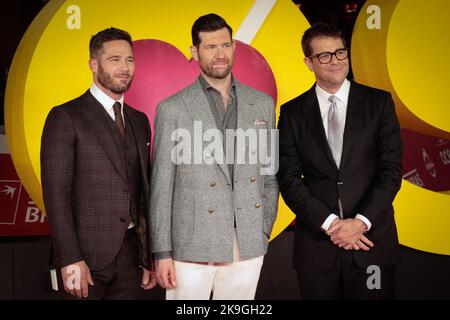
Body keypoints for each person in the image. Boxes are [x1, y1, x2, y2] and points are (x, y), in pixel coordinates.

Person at [150, 13, 279, 300]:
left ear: (233, 46)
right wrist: (162, 253)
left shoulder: (262, 104)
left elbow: (270, 174)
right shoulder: (172, 108)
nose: (220, 54)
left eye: (225, 45)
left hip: (246, 242)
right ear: (195, 52)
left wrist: (262, 230)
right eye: (210, 47)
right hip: (190, 245)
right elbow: (161, 187)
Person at [277, 23, 403, 299]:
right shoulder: (292, 113)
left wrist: (360, 222)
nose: (334, 61)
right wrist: (332, 224)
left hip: (371, 244)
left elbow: (391, 171)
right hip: (317, 249)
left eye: (339, 52)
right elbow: (287, 178)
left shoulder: (379, 103)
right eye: (324, 56)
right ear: (308, 62)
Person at [41, 27, 156, 299]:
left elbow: (142, 194)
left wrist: (146, 256)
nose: (125, 67)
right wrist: (69, 258)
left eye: (129, 60)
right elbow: (56, 195)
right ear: (94, 64)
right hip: (84, 257)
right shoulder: (66, 116)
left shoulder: (139, 120)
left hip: (130, 255)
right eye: (114, 59)